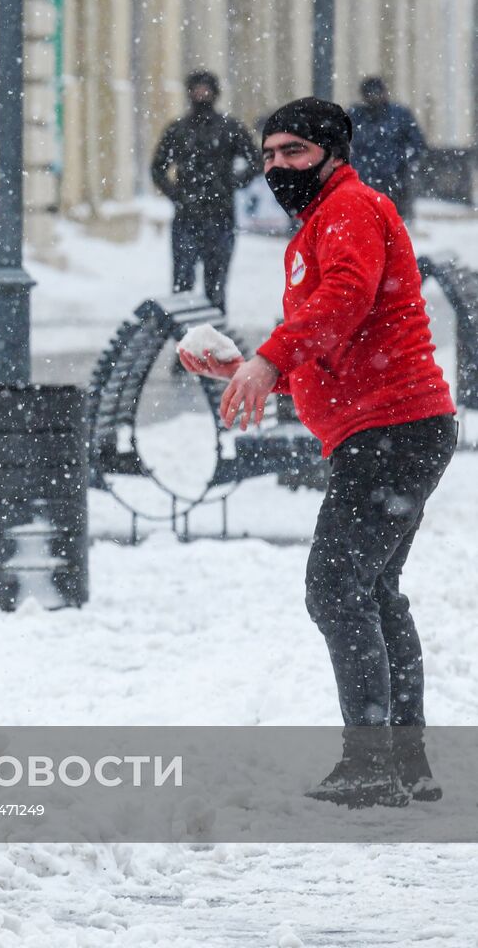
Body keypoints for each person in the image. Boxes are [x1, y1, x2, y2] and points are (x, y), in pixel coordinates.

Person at [180, 98, 456, 808]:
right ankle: (404, 761)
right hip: (395, 429)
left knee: (335, 589)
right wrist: (252, 367)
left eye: (294, 152)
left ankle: (372, 765)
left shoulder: (349, 208)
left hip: (392, 430)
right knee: (373, 590)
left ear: (333, 153)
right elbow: (336, 341)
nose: (278, 167)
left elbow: (347, 297)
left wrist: (271, 359)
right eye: (269, 155)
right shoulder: (324, 221)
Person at [150, 70, 259, 312]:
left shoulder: (229, 127)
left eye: (206, 89)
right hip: (187, 216)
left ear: (215, 93)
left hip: (220, 216)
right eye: (197, 89)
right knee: (182, 284)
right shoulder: (178, 129)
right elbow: (158, 168)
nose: (201, 94)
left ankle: (215, 332)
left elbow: (256, 160)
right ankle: (184, 332)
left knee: (216, 285)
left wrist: (232, 183)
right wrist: (177, 195)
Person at [348, 76, 427, 221]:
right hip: (364, 179)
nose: (373, 97)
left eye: (376, 93)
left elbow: (417, 143)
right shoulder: (355, 116)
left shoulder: (399, 115)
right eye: (369, 94)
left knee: (394, 219)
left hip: (395, 178)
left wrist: (405, 163)